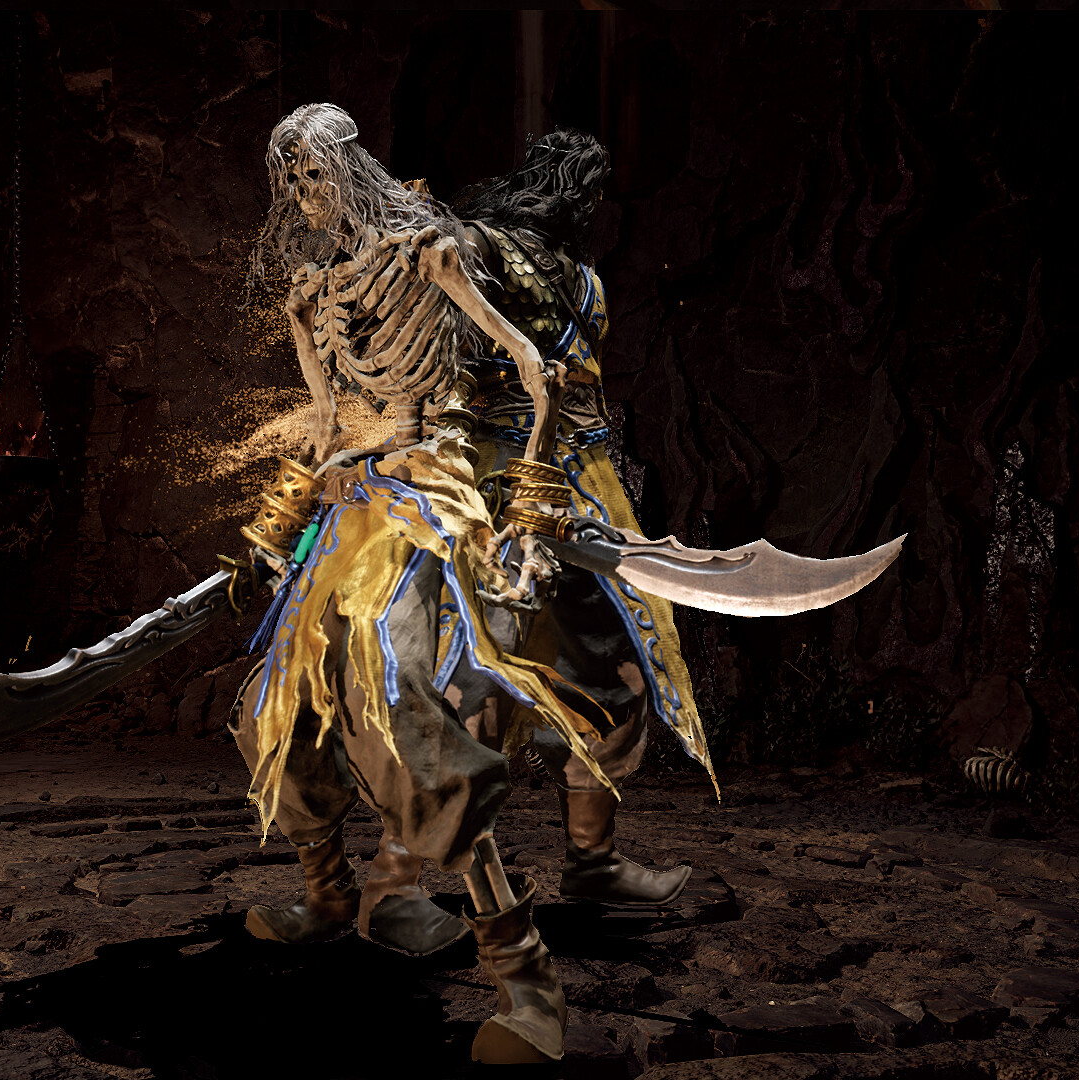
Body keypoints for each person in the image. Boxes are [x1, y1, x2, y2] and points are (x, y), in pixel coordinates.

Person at [230, 102, 603, 1064]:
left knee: (398, 706)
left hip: (432, 493)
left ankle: (525, 977)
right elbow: (328, 427)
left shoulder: (431, 255)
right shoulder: (309, 297)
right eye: (289, 177)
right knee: (276, 704)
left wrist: (532, 506)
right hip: (349, 501)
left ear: (350, 165)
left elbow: (537, 373)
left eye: (314, 170)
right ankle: (328, 895)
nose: (303, 192)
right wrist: (278, 526)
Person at [312, 129, 721, 960]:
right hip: (487, 492)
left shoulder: (585, 280)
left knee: (612, 668)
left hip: (582, 491)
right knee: (476, 680)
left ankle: (593, 862)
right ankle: (395, 882)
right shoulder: (475, 248)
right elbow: (426, 325)